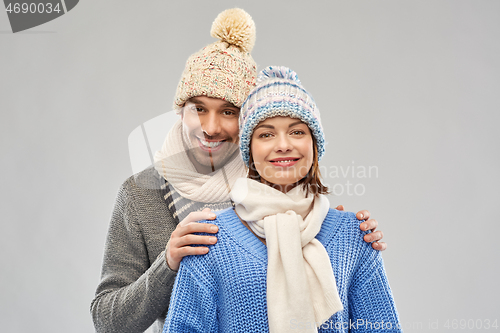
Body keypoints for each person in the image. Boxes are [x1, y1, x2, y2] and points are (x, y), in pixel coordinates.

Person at [91, 9, 387, 333]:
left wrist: (332, 229)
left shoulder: (269, 174)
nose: (210, 127)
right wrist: (169, 261)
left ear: (247, 123)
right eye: (198, 109)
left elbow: (305, 223)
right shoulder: (141, 193)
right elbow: (108, 321)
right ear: (181, 110)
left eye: (228, 111)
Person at [163, 66, 401, 333]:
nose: (283, 144)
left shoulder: (355, 235)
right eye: (266, 134)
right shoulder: (210, 240)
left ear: (314, 144)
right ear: (249, 149)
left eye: (297, 132)